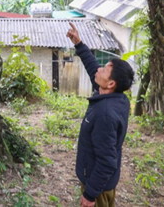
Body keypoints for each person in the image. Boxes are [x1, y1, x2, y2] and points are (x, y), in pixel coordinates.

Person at [66, 21, 134, 207]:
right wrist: (79, 44)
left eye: (105, 70)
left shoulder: (105, 115)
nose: (99, 69)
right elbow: (92, 67)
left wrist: (90, 195)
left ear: (111, 84)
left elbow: (106, 161)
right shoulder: (115, 97)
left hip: (98, 186)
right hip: (102, 182)